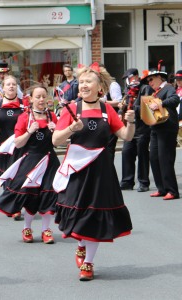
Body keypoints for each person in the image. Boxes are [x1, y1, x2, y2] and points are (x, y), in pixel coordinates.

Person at [52, 62, 135, 281]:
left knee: (96, 215)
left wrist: (131, 122)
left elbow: (126, 136)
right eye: (81, 82)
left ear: (100, 88)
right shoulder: (71, 109)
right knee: (79, 213)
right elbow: (55, 140)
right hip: (77, 170)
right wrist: (71, 128)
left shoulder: (108, 109)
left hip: (102, 171)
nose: (83, 85)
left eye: (89, 81)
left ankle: (88, 263)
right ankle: (81, 244)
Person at [0, 84, 59, 243]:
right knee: (31, 195)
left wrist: (56, 131)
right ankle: (27, 227)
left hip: (50, 160)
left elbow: (58, 143)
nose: (41, 100)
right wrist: (30, 131)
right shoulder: (24, 117)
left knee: (49, 194)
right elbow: (17, 143)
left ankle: (46, 230)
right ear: (30, 99)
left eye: (44, 96)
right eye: (38, 97)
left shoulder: (52, 116)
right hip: (31, 159)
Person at [140, 65, 180, 200]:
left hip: (167, 127)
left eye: (151, 79)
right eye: (148, 81)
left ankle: (172, 190)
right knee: (154, 158)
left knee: (165, 159)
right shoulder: (155, 92)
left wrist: (159, 103)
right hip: (156, 128)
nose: (149, 83)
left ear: (159, 77)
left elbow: (175, 100)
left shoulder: (168, 87)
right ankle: (161, 188)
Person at [119, 68, 152, 192]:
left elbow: (147, 106)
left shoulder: (145, 88)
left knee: (142, 155)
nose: (128, 81)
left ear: (136, 77)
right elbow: (125, 106)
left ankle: (143, 182)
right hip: (130, 126)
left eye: (129, 77)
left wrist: (132, 108)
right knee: (126, 152)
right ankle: (127, 181)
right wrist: (122, 107)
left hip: (142, 127)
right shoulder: (128, 90)